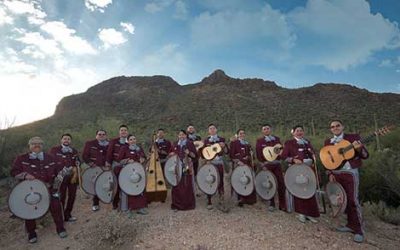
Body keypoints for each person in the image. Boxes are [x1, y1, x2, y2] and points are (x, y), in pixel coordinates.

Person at [11, 137, 68, 243]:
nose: (37, 145)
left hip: (49, 188)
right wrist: (25, 175)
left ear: (42, 145)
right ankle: (31, 233)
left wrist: (56, 186)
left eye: (39, 144)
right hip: (30, 191)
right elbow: (14, 172)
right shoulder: (21, 159)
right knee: (29, 211)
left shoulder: (50, 157)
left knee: (56, 207)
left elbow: (59, 173)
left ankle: (60, 228)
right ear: (29, 146)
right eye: (34, 144)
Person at [324, 119, 369, 243]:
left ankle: (359, 229)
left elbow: (365, 155)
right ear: (330, 129)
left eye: (338, 125)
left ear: (343, 126)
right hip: (337, 174)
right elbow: (327, 160)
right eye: (332, 127)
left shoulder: (353, 138)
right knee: (343, 199)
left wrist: (359, 148)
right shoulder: (328, 142)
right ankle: (350, 225)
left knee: (353, 200)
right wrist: (330, 173)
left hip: (350, 173)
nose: (335, 128)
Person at [281, 125, 320, 223]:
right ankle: (301, 213)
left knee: (309, 190)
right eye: (297, 131)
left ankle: (310, 213)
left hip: (308, 169)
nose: (299, 132)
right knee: (299, 190)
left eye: (301, 131)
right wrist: (293, 159)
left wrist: (313, 157)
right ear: (293, 133)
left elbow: (312, 154)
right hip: (296, 170)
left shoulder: (307, 142)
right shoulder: (289, 143)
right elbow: (284, 156)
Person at [49, 133, 80, 222]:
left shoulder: (74, 150)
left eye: (68, 139)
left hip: (72, 177)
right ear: (61, 140)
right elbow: (51, 163)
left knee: (72, 196)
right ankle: (61, 216)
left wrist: (78, 163)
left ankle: (68, 215)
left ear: (71, 141)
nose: (66, 140)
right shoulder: (54, 150)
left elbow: (78, 161)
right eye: (65, 139)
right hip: (60, 176)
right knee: (61, 197)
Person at [255, 124, 286, 212]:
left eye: (268, 128)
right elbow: (258, 154)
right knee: (270, 183)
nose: (266, 130)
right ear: (262, 131)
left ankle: (282, 204)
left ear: (270, 129)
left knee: (281, 183)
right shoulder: (260, 141)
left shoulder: (276, 139)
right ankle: (272, 203)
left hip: (277, 164)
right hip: (267, 165)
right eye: (264, 129)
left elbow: (281, 150)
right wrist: (263, 164)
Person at [118, 134, 148, 217]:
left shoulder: (139, 148)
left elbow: (144, 157)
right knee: (127, 190)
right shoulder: (124, 148)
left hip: (138, 172)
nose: (133, 141)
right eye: (131, 139)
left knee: (139, 189)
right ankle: (126, 209)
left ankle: (139, 208)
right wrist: (127, 160)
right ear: (128, 141)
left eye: (134, 139)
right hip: (127, 172)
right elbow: (119, 160)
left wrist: (143, 159)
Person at [202, 123, 229, 210]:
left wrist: (224, 146)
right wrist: (206, 160)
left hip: (219, 162)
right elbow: (203, 153)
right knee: (209, 180)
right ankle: (209, 199)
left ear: (216, 130)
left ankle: (221, 199)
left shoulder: (222, 139)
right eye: (210, 129)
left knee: (220, 180)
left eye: (214, 128)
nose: (212, 130)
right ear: (208, 131)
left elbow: (227, 151)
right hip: (210, 163)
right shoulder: (206, 141)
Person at [169, 130, 197, 211]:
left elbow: (195, 155)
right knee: (176, 184)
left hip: (187, 166)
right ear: (178, 136)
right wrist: (171, 154)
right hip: (176, 166)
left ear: (186, 135)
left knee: (186, 184)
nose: (181, 136)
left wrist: (189, 153)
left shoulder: (190, 143)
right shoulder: (175, 144)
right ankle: (176, 204)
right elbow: (170, 154)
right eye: (180, 135)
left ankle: (188, 204)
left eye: (183, 135)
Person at [82, 129, 109, 211]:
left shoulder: (109, 144)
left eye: (103, 134)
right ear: (96, 135)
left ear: (106, 136)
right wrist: (91, 164)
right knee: (96, 184)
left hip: (106, 167)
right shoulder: (90, 143)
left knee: (108, 184)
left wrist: (109, 163)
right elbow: (85, 155)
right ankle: (95, 203)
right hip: (95, 168)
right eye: (99, 134)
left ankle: (107, 199)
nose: (101, 135)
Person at [229, 129, 256, 206]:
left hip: (247, 164)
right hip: (239, 165)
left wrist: (250, 157)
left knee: (248, 180)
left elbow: (252, 155)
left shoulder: (248, 144)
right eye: (240, 133)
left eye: (243, 133)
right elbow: (231, 155)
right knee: (239, 181)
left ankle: (249, 199)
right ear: (237, 135)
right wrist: (238, 161)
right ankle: (240, 200)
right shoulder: (234, 143)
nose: (242, 135)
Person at [106, 124, 129, 210]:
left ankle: (126, 203)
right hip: (116, 164)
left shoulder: (129, 141)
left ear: (127, 132)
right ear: (119, 132)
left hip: (127, 165)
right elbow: (109, 152)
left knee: (126, 182)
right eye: (122, 130)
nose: (123, 132)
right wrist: (108, 162)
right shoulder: (114, 141)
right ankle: (115, 203)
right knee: (116, 184)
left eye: (125, 130)